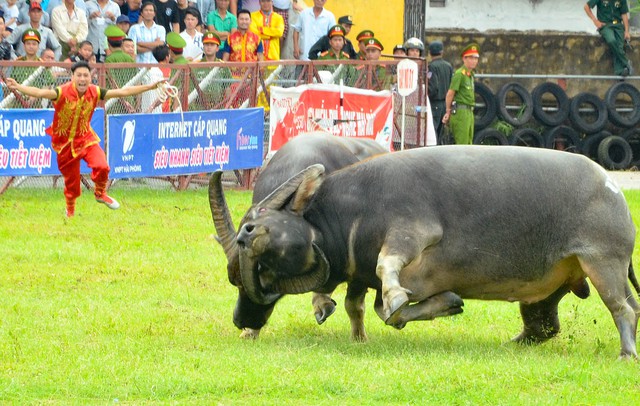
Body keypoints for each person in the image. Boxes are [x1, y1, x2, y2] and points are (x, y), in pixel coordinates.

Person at [5, 61, 165, 217]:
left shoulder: (95, 91)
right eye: (79, 75)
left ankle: (101, 193)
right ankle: (70, 210)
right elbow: (40, 93)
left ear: (90, 77)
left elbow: (123, 92)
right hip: (65, 144)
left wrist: (150, 87)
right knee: (72, 183)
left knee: (102, 166)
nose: (82, 79)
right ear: (72, 77)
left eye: (85, 75)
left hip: (86, 138)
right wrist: (18, 87)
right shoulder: (61, 92)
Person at [443, 43, 480, 145]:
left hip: (469, 111)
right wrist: (448, 111)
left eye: (476, 58)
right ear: (464, 59)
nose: (474, 61)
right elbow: (450, 93)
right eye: (471, 58)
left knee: (469, 142)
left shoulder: (470, 75)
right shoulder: (460, 74)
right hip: (461, 112)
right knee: (462, 144)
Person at [584, 0, 632, 76]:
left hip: (618, 25)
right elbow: (586, 7)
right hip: (605, 25)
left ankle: (619, 71)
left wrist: (626, 31)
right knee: (611, 40)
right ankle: (625, 62)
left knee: (620, 45)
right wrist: (595, 21)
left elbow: (624, 14)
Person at [427, 40, 453, 145]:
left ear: (430, 53)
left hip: (435, 104)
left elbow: (433, 87)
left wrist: (427, 96)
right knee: (441, 133)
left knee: (433, 133)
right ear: (442, 52)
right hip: (446, 104)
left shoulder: (431, 67)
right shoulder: (448, 66)